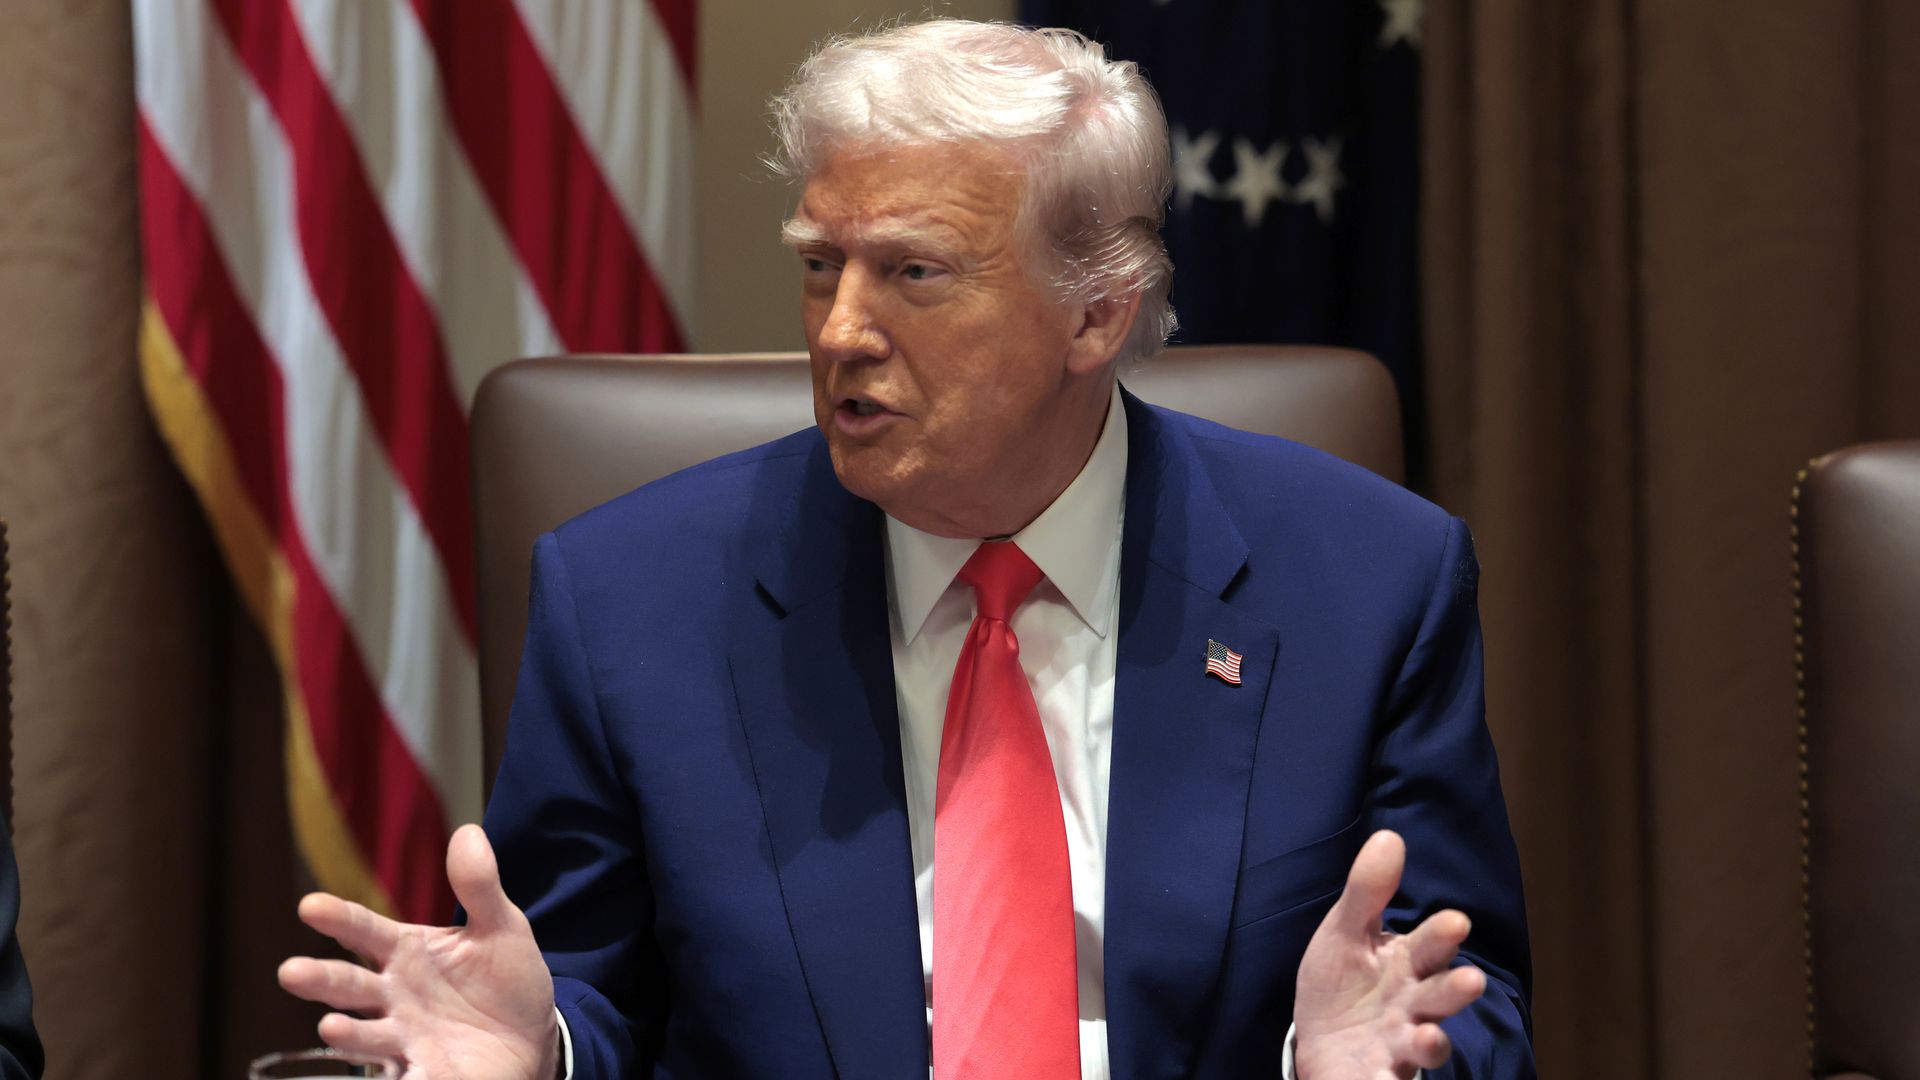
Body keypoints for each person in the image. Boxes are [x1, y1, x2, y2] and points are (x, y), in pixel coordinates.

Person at [279, 19, 1532, 1080]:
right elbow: (593, 993)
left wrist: (1360, 1064)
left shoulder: (1368, 584)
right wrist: (543, 1044)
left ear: (1094, 313)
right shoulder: (627, 600)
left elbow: (1455, 992)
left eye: (913, 273)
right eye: (821, 266)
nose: (840, 331)